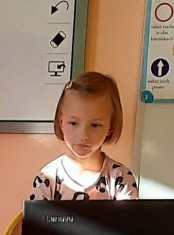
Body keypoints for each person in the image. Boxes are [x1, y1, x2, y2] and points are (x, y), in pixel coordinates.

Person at [28, 70, 139, 202]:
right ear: (61, 123)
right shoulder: (47, 178)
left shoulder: (121, 178)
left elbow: (130, 216)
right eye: (73, 123)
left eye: (95, 125)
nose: (83, 135)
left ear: (110, 127)